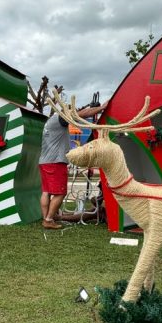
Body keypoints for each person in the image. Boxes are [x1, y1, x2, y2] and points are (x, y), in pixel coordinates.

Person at [38, 98, 108, 229]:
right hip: (56, 162)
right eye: (71, 110)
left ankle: (47, 218)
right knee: (60, 193)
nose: (73, 112)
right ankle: (48, 219)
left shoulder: (50, 121)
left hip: (44, 161)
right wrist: (100, 108)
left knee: (46, 191)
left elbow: (78, 113)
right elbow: (81, 114)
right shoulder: (60, 117)